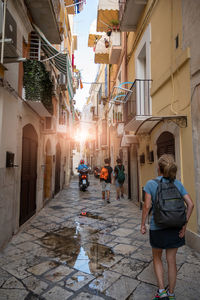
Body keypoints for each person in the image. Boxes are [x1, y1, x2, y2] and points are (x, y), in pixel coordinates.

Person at [140, 154, 194, 300]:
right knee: (172, 260)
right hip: (175, 228)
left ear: (159, 168)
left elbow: (147, 206)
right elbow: (191, 204)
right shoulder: (177, 183)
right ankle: (171, 294)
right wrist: (184, 224)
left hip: (157, 228)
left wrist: (143, 224)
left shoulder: (151, 184)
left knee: (157, 257)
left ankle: (162, 292)